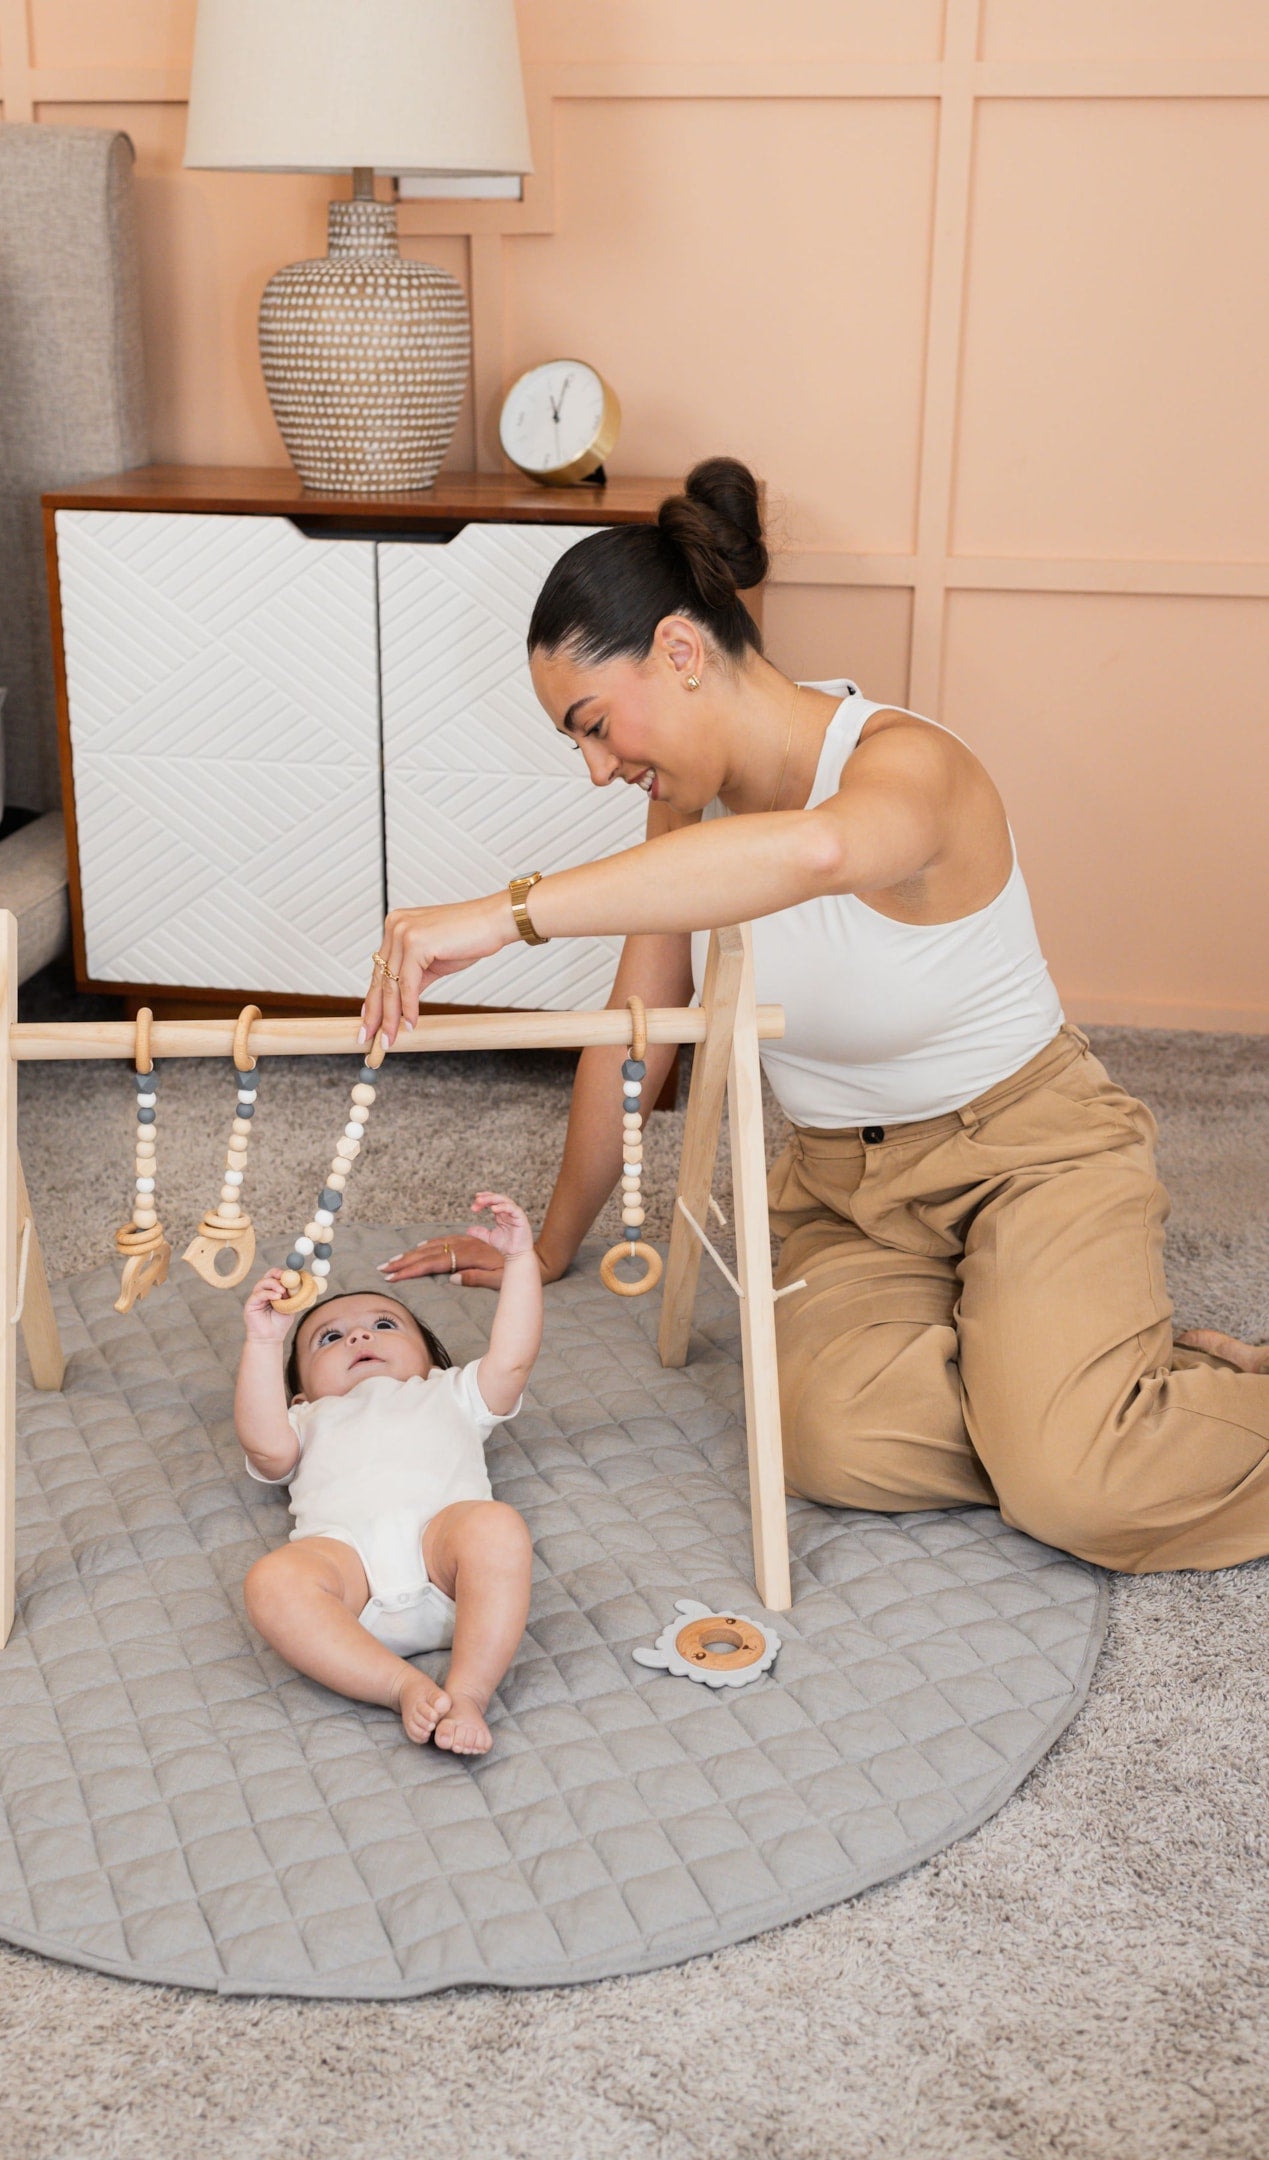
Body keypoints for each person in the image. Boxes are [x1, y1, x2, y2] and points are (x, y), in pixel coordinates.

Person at [361, 457, 1269, 1575]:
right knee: (825, 1442)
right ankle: (1072, 1388)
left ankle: (1077, 1420)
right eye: (577, 743)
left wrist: (507, 916)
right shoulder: (686, 821)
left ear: (682, 652)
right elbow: (636, 1035)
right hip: (849, 1194)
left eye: (595, 724)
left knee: (1076, 1490)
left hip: (1031, 1155)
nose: (598, 768)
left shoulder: (905, 766)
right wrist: (551, 1247)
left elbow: (817, 852)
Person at [236, 1192, 539, 1755]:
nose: (359, 1336)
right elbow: (263, 1447)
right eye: (328, 1338)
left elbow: (515, 1357)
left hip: (447, 1565)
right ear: (299, 1391)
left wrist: (521, 1263)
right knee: (272, 1582)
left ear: (430, 1359)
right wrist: (263, 1341)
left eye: (384, 1324)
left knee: (495, 1527)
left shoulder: (451, 1393)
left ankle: (468, 1691)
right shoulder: (305, 1418)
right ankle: (399, 1686)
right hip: (347, 1586)